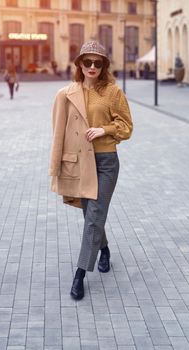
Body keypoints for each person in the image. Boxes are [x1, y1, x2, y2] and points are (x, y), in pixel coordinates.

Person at [49, 41, 133, 300]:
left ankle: (80, 274)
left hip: (106, 161)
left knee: (94, 215)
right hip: (79, 163)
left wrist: (105, 129)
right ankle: (104, 250)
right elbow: (57, 133)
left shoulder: (113, 92)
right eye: (88, 62)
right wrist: (56, 166)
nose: (93, 66)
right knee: (92, 216)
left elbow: (126, 126)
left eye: (98, 62)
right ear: (80, 64)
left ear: (104, 65)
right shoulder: (66, 93)